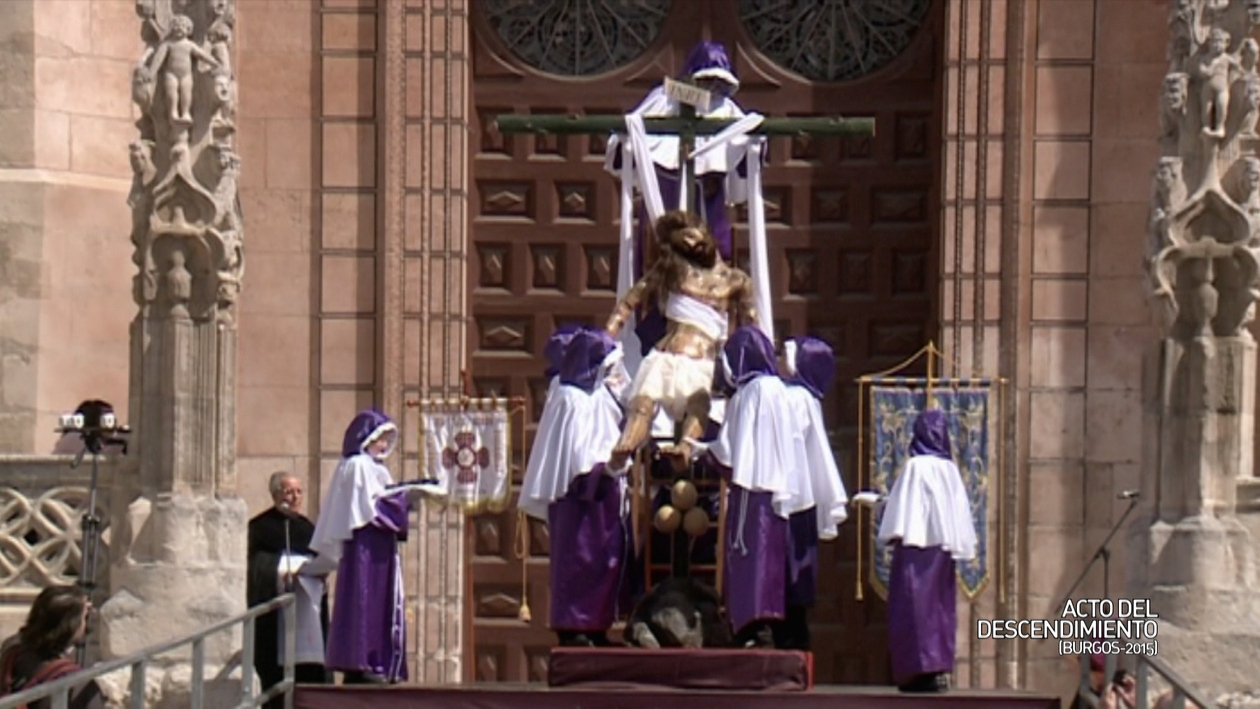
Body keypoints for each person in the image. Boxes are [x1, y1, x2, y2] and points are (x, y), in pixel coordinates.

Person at [605, 211, 757, 471]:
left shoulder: (737, 281)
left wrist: (758, 364)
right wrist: (604, 339)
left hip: (703, 360)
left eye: (692, 239)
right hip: (665, 354)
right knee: (643, 401)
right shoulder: (672, 272)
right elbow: (629, 303)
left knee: (698, 403)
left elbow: (753, 327)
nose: (691, 246)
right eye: (683, 243)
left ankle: (685, 448)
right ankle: (627, 446)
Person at [691, 327, 812, 647]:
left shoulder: (749, 394)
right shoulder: (780, 391)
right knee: (769, 559)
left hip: (751, 491)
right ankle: (765, 623)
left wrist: (704, 451)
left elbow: (731, 451)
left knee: (749, 557)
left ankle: (752, 627)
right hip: (775, 491)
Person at [520, 328, 630, 646]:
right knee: (577, 560)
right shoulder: (569, 398)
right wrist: (601, 467)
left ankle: (597, 624)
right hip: (577, 496)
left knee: (604, 560)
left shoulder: (602, 396)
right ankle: (573, 626)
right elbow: (572, 454)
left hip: (604, 493)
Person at [309, 410, 424, 684]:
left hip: (381, 545)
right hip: (364, 547)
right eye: (380, 438)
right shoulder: (357, 465)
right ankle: (360, 660)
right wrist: (404, 498)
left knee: (381, 601)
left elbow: (383, 500)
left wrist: (406, 497)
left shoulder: (377, 469)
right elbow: (368, 508)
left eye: (387, 439)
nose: (384, 445)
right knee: (364, 599)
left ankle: (380, 660)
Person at [875, 409, 978, 692]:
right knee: (938, 610)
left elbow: (902, 511)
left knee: (913, 610)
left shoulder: (915, 467)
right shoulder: (949, 470)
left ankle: (914, 671)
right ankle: (936, 668)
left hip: (914, 552)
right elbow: (957, 517)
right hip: (940, 554)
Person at [777, 336, 849, 650]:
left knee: (789, 568)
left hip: (790, 496)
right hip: (799, 496)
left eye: (784, 355)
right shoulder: (804, 399)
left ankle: (790, 634)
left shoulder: (795, 399)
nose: (778, 359)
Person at [247, 472, 329, 706]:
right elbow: (256, 566)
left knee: (307, 672)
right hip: (275, 616)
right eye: (288, 491)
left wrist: (320, 575)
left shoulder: (308, 528)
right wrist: (280, 570)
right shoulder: (260, 527)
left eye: (298, 491)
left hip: (306, 609)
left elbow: (319, 560)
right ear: (275, 495)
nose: (295, 497)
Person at [0, 585, 103, 709]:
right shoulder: (78, 684)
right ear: (70, 627)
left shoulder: (11, 649)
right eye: (83, 619)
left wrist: (77, 603)